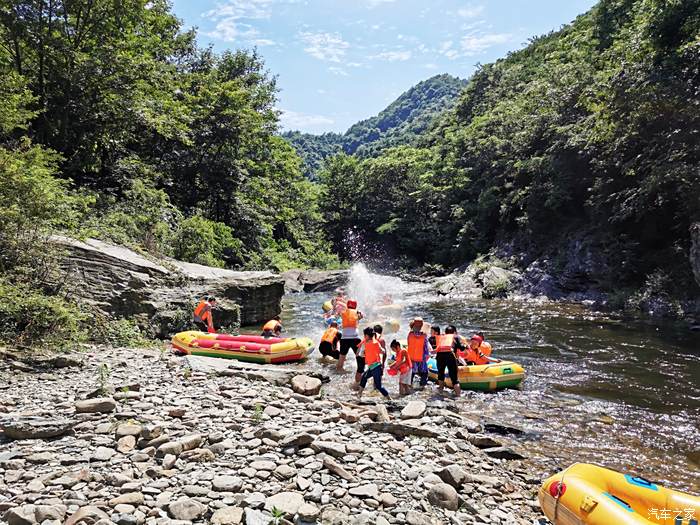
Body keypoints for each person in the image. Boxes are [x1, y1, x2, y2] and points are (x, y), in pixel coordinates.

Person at [357, 327, 390, 400]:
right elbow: (383, 351)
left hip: (376, 367)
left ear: (367, 336)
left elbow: (361, 354)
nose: (364, 337)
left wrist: (366, 354)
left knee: (378, 386)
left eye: (364, 335)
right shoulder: (376, 343)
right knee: (364, 378)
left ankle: (389, 398)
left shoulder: (367, 343)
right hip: (373, 366)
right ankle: (359, 395)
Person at [434, 325, 465, 397]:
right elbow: (461, 348)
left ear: (445, 332)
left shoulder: (441, 337)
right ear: (454, 332)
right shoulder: (455, 337)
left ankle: (440, 390)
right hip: (450, 355)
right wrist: (466, 346)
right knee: (454, 378)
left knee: (441, 373)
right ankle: (458, 395)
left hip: (440, 355)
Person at [338, 299, 364, 377]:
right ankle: (360, 372)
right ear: (355, 305)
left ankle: (339, 371)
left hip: (344, 338)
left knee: (342, 357)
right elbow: (361, 317)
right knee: (359, 356)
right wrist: (358, 312)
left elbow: (340, 314)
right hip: (355, 338)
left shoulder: (343, 312)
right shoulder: (356, 312)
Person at [407, 317, 432, 388]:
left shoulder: (410, 334)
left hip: (412, 357)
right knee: (425, 372)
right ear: (421, 325)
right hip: (421, 357)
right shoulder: (424, 335)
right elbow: (426, 347)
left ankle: (409, 385)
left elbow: (409, 344)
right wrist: (427, 355)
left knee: (412, 372)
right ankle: (422, 386)